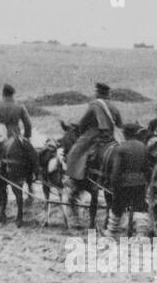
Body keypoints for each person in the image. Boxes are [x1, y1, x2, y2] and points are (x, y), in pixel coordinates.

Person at [65, 82, 122, 227]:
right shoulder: (114, 107)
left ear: (98, 93)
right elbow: (120, 124)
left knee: (75, 152)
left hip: (95, 137)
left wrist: (83, 131)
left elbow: (83, 123)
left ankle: (75, 181)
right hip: (113, 139)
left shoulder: (95, 105)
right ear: (108, 93)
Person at [106, 122, 152, 238]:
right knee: (140, 207)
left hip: (123, 184)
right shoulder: (143, 147)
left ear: (125, 134)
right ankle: (141, 234)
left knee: (117, 208)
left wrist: (113, 184)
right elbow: (147, 168)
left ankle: (111, 233)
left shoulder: (121, 148)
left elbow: (116, 171)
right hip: (140, 183)